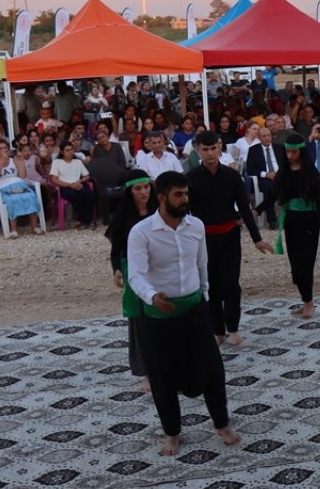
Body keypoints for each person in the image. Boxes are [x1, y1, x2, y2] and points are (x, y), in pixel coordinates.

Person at [126, 170, 241, 456]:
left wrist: (203, 295)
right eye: (178, 194)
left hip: (194, 310)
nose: (185, 199)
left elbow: (202, 264)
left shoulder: (196, 226)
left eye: (186, 193)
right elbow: (136, 275)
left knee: (213, 370)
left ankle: (221, 424)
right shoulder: (141, 233)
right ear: (161, 197)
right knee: (163, 377)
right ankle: (172, 433)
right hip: (158, 316)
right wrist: (153, 296)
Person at [186, 131, 274, 346]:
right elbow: (184, 211)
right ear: (198, 150)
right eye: (204, 149)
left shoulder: (232, 176)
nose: (209, 153)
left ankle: (233, 326)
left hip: (229, 237)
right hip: (204, 240)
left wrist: (257, 238)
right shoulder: (190, 179)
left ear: (219, 147)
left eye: (213, 148)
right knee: (210, 286)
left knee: (231, 284)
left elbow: (244, 208)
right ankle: (217, 330)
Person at [106, 169, 157, 392]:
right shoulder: (123, 216)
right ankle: (145, 373)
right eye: (138, 188)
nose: (143, 192)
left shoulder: (160, 212)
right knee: (139, 323)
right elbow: (116, 248)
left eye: (146, 187)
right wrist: (116, 269)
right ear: (130, 191)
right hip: (134, 272)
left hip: (160, 270)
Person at [272, 133, 320, 319]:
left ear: (301, 152)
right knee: (295, 264)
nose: (290, 155)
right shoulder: (284, 171)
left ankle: (309, 302)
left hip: (309, 220)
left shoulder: (310, 172)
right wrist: (256, 210)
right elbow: (274, 194)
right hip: (291, 220)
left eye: (293, 152)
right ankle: (305, 299)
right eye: (287, 152)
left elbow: (319, 200)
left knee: (306, 263)